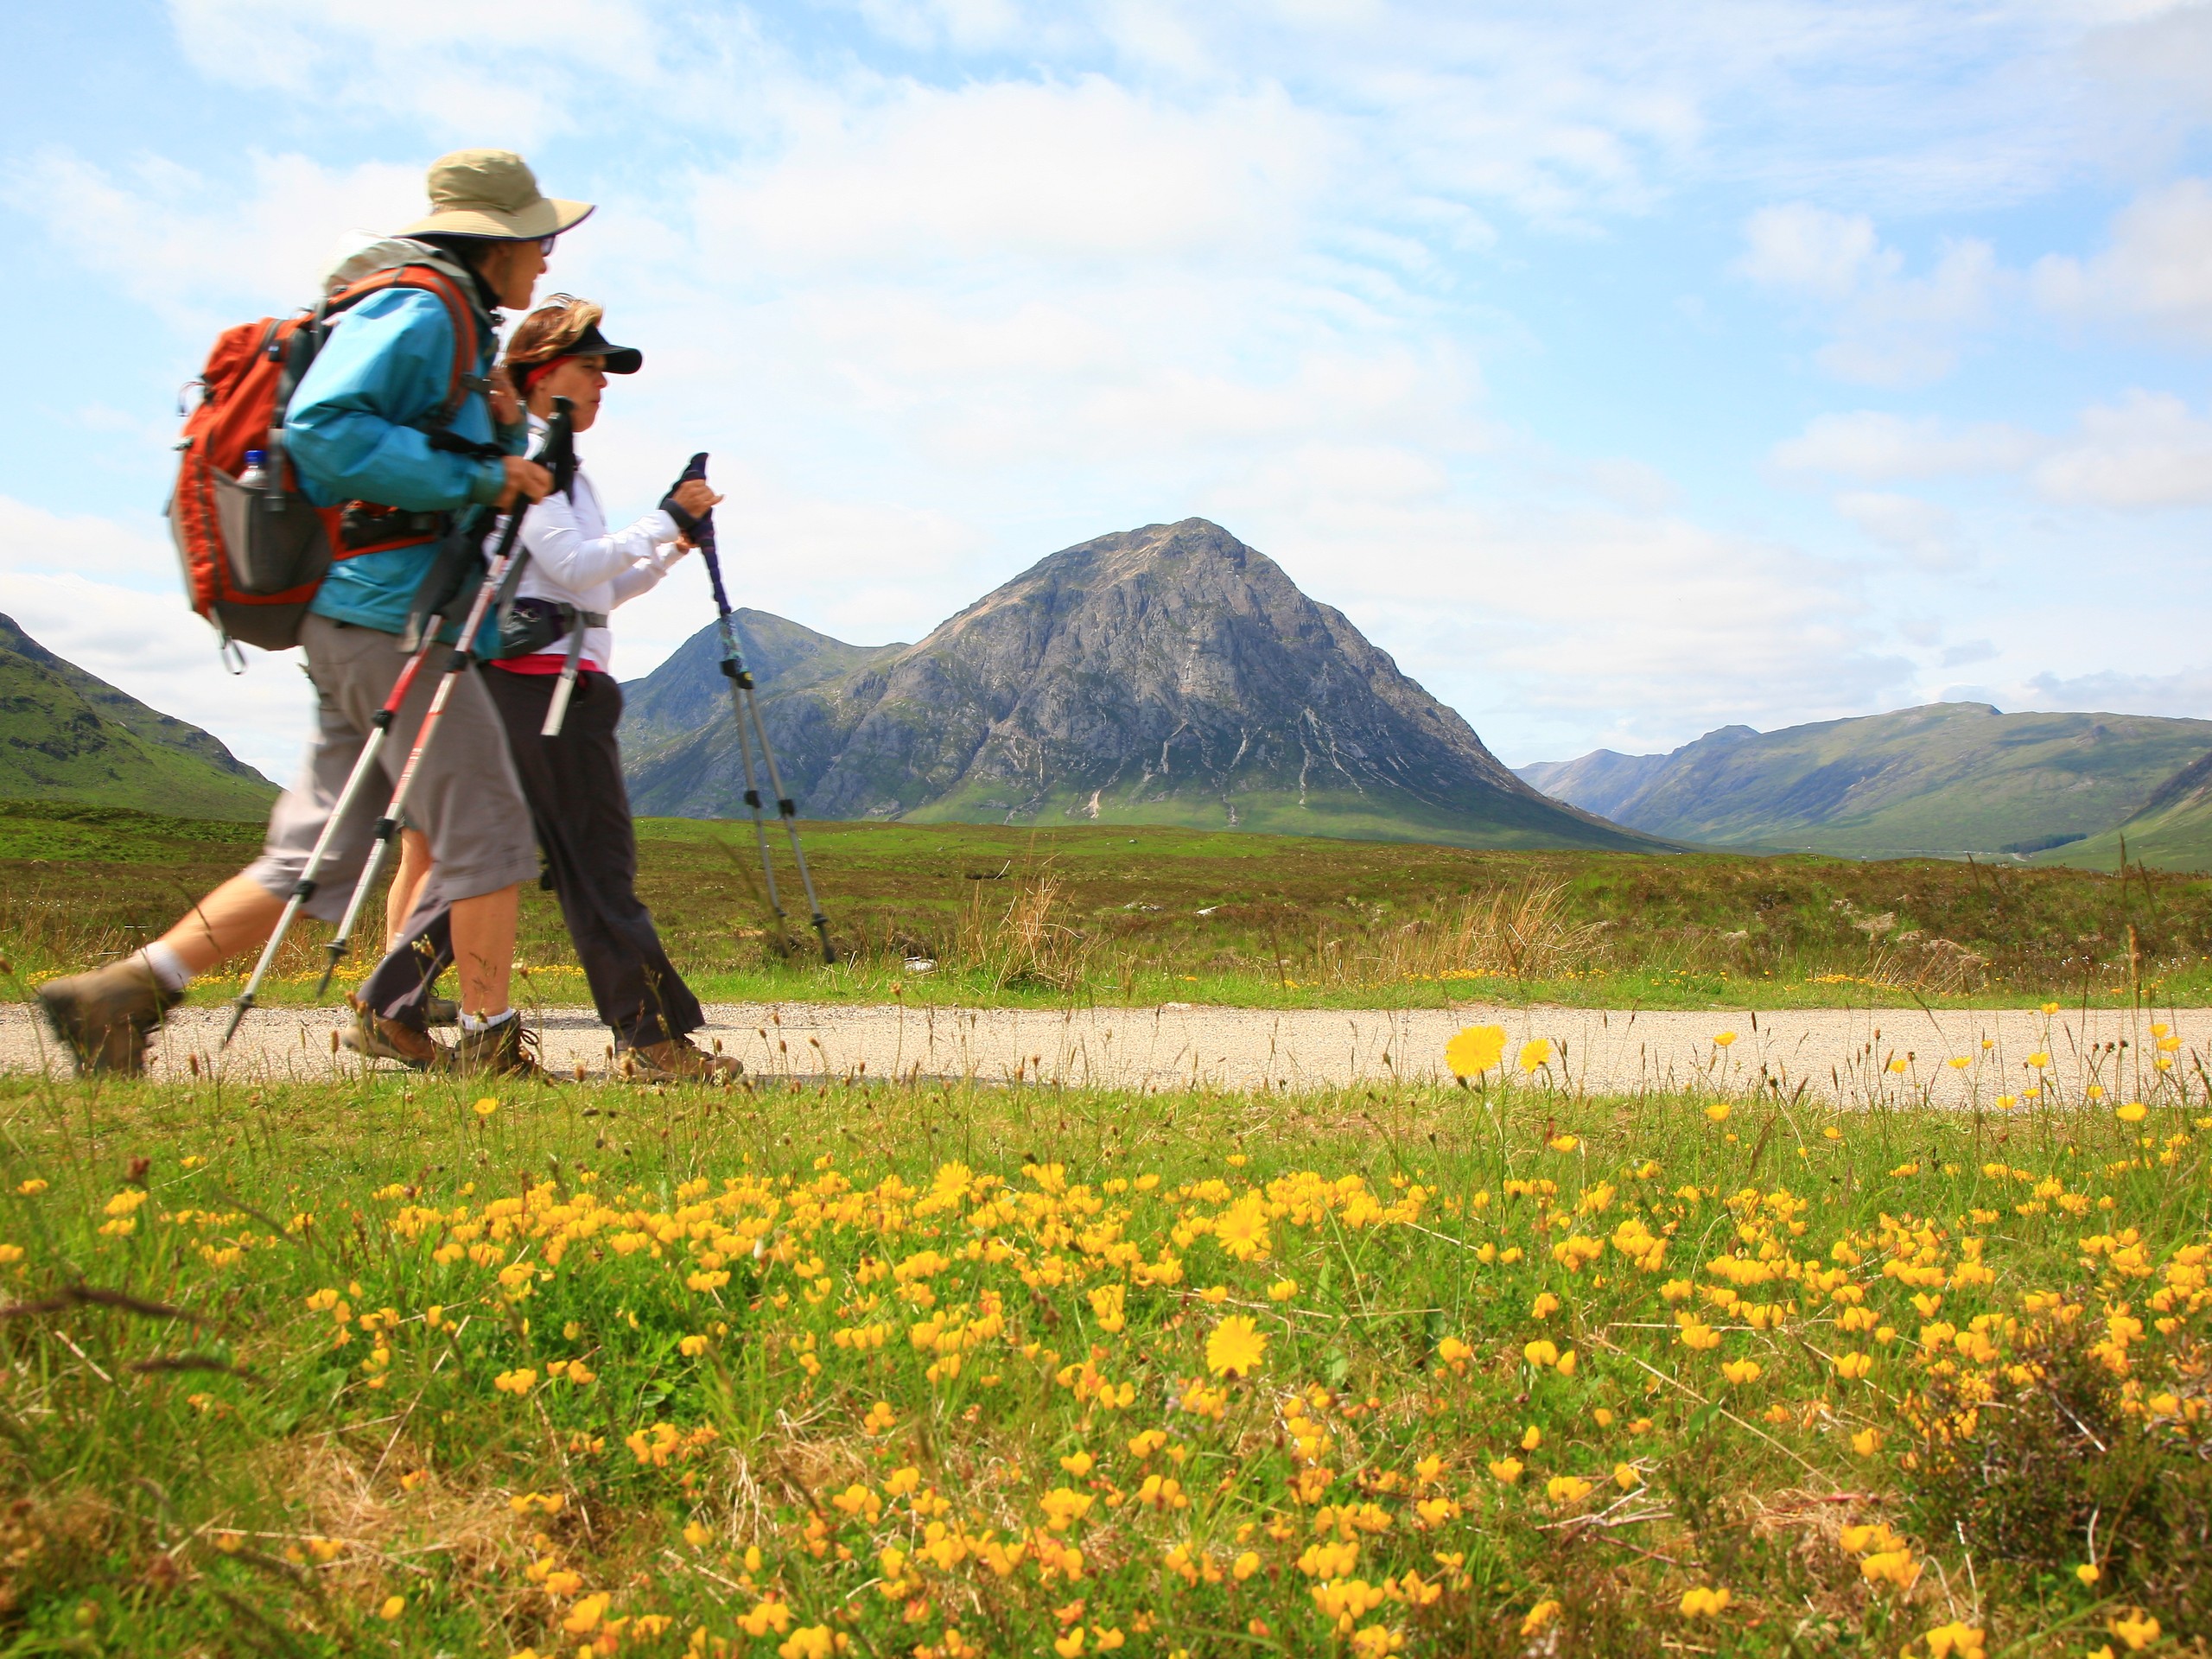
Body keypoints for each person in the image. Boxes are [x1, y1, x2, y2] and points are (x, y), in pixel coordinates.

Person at [37, 149, 589, 1077]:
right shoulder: (423, 307)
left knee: (316, 855)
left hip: (360, 619)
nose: (546, 259)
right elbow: (328, 432)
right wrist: (488, 473)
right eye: (539, 240)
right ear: (493, 243)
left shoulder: (436, 315)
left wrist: (494, 436)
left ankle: (123, 993)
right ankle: (493, 1049)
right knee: (491, 828)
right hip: (398, 623)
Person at [346, 296, 731, 1083]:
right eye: (593, 366)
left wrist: (665, 551)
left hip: (542, 685)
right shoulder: (532, 458)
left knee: (496, 861)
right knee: (597, 867)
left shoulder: (553, 461)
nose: (603, 383)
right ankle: (650, 1041)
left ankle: (389, 1011)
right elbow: (577, 565)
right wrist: (665, 517)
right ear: (546, 370)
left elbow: (591, 592)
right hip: (545, 692)